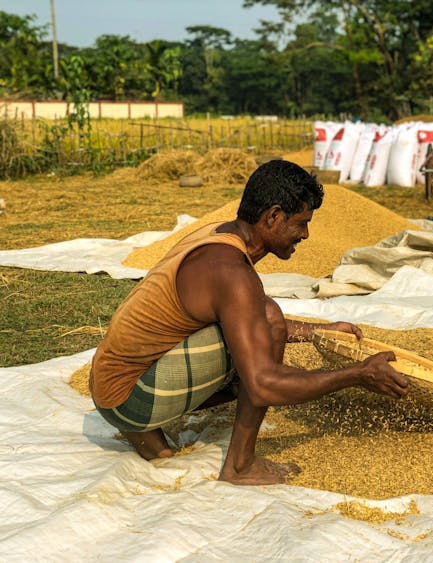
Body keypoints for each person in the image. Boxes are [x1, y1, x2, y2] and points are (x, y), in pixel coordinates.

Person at [89, 159, 409, 485]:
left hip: (109, 384)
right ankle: (240, 465)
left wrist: (315, 332)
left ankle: (144, 432)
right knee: (269, 328)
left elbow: (241, 316)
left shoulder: (219, 236)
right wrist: (358, 374)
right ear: (272, 216)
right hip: (128, 398)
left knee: (264, 325)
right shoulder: (230, 272)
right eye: (301, 223)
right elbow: (262, 383)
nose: (306, 234)